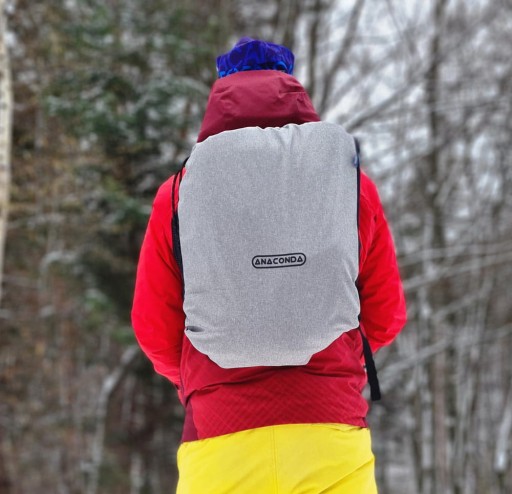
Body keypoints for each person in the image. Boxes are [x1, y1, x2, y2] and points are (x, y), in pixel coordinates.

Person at [132, 37, 406, 494]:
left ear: (221, 94)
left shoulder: (179, 192)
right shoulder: (352, 187)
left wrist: (204, 381)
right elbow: (386, 315)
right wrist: (334, 359)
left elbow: (154, 329)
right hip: (331, 435)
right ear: (293, 89)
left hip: (219, 441)